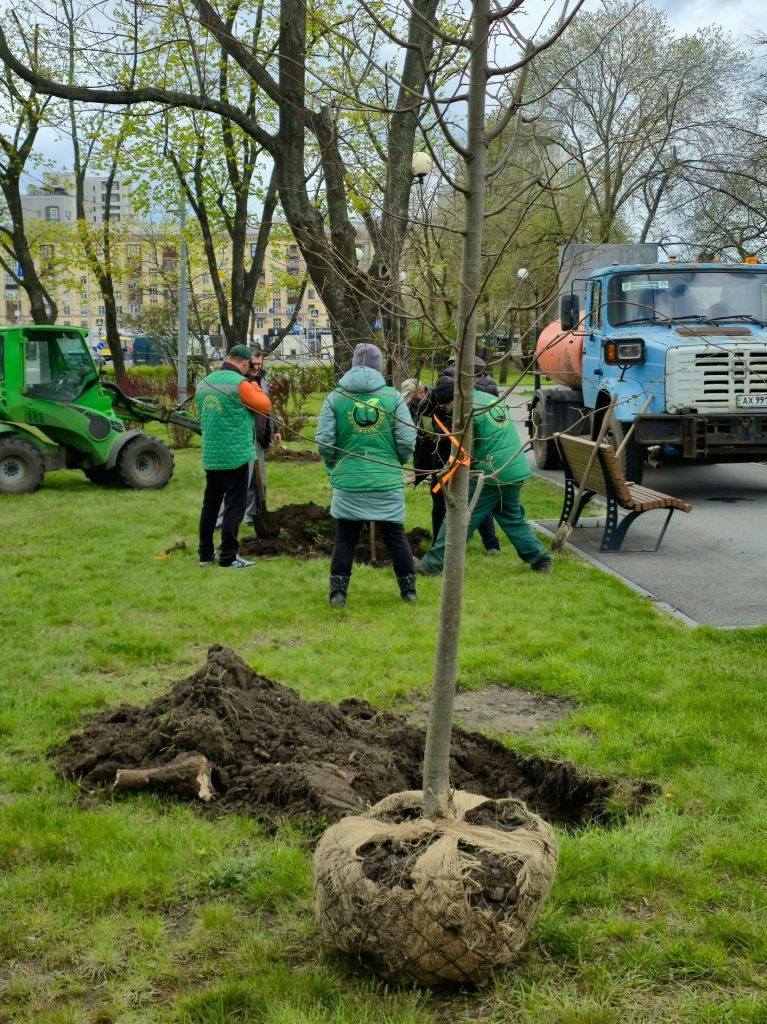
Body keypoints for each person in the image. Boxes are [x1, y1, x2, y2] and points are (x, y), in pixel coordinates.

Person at [415, 375, 552, 576]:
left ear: (452, 400)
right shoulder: (487, 399)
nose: (445, 410)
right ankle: (541, 559)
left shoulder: (465, 411)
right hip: (514, 467)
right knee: (512, 517)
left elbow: (463, 450)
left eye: (445, 406)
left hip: (492, 472)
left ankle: (431, 565)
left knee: (458, 517)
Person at [316, 343, 417, 606]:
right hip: (386, 479)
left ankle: (338, 593)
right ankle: (408, 591)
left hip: (349, 480)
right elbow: (407, 439)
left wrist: (333, 465)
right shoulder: (393, 397)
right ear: (379, 366)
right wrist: (397, 462)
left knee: (345, 536)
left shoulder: (335, 398)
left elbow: (325, 442)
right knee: (395, 535)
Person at [405, 359, 501, 554]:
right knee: (473, 496)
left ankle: (441, 546)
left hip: (453, 454)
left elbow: (444, 423)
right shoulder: (464, 385)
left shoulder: (447, 391)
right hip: (465, 452)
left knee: (442, 494)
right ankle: (490, 545)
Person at [196, 344, 272, 568]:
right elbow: (265, 405)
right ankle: (228, 557)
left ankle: (205, 554)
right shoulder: (241, 384)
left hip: (212, 454)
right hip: (236, 455)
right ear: (245, 363)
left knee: (210, 505)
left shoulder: (204, 383)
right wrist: (254, 384)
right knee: (234, 506)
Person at [244, 349, 282, 526]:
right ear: (246, 362)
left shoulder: (262, 380)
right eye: (253, 364)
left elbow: (268, 407)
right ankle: (249, 516)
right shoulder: (243, 383)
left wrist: (275, 428)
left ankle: (258, 513)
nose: (256, 368)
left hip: (261, 436)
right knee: (248, 480)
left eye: (260, 364)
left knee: (261, 480)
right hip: (247, 436)